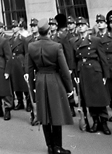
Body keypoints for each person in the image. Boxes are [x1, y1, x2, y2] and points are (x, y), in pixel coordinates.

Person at [27, 19, 73, 154]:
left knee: (44, 114)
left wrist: (32, 87)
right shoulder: (56, 46)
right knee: (56, 113)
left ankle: (50, 146)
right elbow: (64, 71)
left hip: (40, 80)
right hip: (54, 80)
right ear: (49, 31)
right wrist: (70, 88)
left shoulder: (31, 46)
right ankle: (57, 147)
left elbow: (29, 70)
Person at [70, 16, 111, 135]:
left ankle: (104, 122)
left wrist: (105, 75)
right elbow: (73, 59)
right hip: (83, 71)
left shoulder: (95, 40)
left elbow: (103, 58)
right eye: (78, 25)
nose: (80, 27)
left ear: (87, 26)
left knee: (99, 97)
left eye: (82, 25)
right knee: (89, 98)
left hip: (95, 70)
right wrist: (76, 74)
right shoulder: (74, 41)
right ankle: (95, 121)